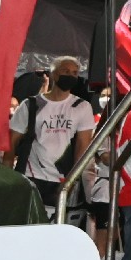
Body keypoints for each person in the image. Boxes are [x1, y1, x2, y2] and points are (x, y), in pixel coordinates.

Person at [12, 58, 98, 219]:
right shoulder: (31, 104)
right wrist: (8, 175)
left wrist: (72, 180)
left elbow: (83, 146)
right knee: (30, 221)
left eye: (75, 73)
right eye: (66, 71)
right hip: (32, 175)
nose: (70, 76)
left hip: (63, 178)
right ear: (53, 74)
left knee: (56, 224)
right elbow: (12, 141)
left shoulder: (81, 106)